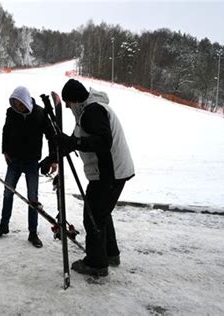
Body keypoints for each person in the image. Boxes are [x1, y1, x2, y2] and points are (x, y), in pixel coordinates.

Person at [55, 79, 135, 277]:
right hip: (114, 171)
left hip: (108, 173)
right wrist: (54, 156)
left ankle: (96, 264)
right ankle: (110, 254)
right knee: (101, 213)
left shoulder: (92, 111)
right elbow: (76, 141)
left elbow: (102, 141)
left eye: (67, 102)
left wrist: (75, 141)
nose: (66, 106)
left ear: (74, 100)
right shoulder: (91, 110)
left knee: (92, 218)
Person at [0, 86, 57, 248]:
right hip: (14, 161)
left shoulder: (40, 113)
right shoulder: (11, 113)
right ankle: (3, 225)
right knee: (8, 193)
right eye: (14, 104)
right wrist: (5, 150)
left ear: (26, 100)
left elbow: (51, 136)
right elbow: (6, 130)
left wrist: (53, 159)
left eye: (19, 103)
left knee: (32, 198)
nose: (17, 107)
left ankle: (33, 233)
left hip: (32, 162)